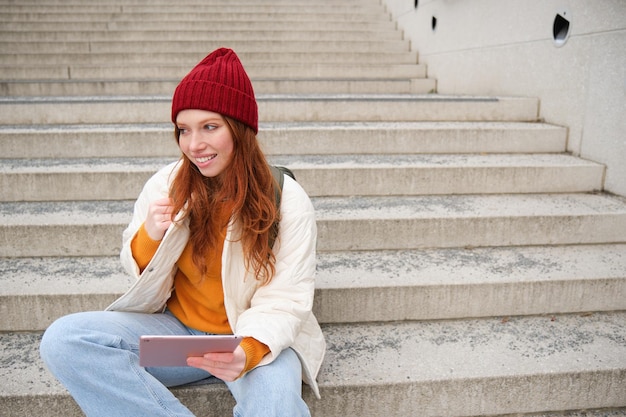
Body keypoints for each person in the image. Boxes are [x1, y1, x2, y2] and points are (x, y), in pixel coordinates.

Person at [40, 48, 326, 417]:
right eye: (183, 130)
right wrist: (151, 235)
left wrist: (248, 351)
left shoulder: (287, 200)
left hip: (250, 338)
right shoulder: (167, 185)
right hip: (177, 339)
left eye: (210, 127)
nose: (194, 145)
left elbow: (287, 298)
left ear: (240, 128)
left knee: (276, 407)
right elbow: (139, 273)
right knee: (65, 341)